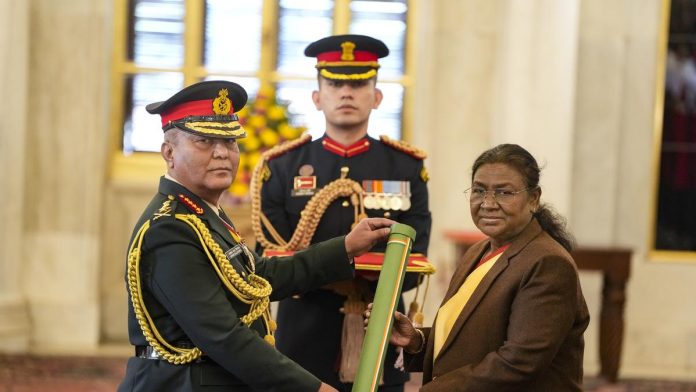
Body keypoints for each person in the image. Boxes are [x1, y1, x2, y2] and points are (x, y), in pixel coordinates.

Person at [117, 80, 395, 392]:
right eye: (204, 142)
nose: (222, 153)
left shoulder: (202, 213)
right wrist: (313, 389)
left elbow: (256, 277)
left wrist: (345, 247)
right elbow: (224, 336)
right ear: (169, 153)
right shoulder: (169, 228)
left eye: (230, 142)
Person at [254, 34, 432, 391]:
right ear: (317, 97)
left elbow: (415, 257)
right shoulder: (283, 166)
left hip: (378, 320)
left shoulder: (405, 167)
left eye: (359, 83)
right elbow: (268, 260)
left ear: (377, 96)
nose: (346, 93)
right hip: (304, 326)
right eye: (335, 83)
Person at [366, 144, 590, 391]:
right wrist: (416, 341)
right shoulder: (478, 251)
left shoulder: (548, 263)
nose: (488, 203)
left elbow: (519, 364)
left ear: (533, 199)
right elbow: (472, 338)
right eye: (479, 190)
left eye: (504, 193)